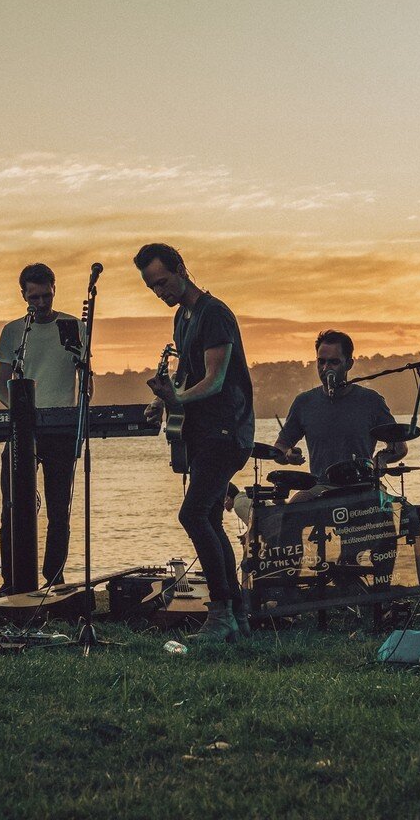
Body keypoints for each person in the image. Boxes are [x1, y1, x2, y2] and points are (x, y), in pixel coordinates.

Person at [137, 242, 254, 643]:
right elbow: (186, 375)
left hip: (227, 430)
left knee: (193, 515)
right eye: (153, 287)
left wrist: (177, 400)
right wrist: (160, 401)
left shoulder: (214, 313)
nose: (160, 292)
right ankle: (236, 614)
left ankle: (222, 613)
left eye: (163, 282)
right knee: (208, 518)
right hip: (202, 433)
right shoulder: (182, 319)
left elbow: (215, 379)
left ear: (182, 268)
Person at [0, 263, 84, 588]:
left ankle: (54, 577)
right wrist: (17, 410)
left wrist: (81, 413)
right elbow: (2, 385)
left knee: (59, 510)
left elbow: (85, 376)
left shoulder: (73, 325)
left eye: (47, 295)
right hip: (23, 429)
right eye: (35, 297)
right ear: (24, 296)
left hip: (61, 430)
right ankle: (12, 579)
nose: (42, 303)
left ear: (54, 289)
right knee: (13, 508)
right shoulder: (14, 331)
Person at [272, 330, 408, 482]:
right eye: (321, 362)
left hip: (363, 488)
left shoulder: (371, 401)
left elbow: (399, 447)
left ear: (349, 364)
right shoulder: (304, 403)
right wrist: (288, 454)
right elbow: (280, 447)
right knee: (296, 504)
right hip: (321, 490)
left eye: (334, 362)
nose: (325, 368)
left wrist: (381, 458)